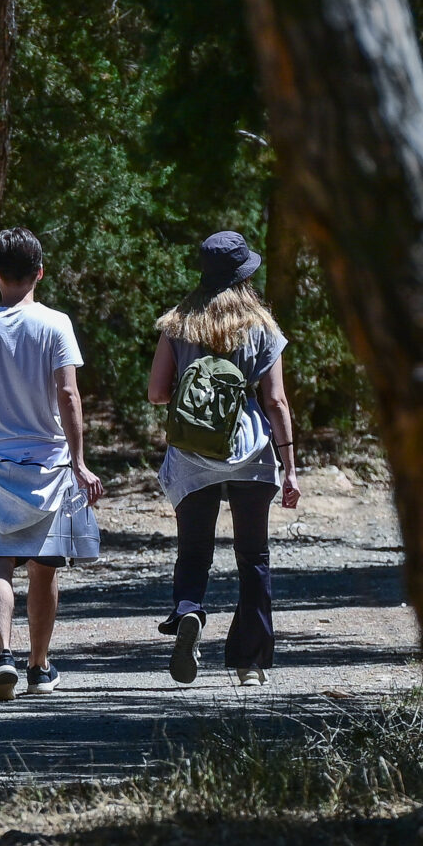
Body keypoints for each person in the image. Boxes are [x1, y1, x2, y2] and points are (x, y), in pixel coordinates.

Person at [0, 227, 103, 701]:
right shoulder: (56, 324)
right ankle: (39, 665)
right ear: (39, 272)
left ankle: (2, 658)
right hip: (50, 466)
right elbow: (68, 395)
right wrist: (79, 460)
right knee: (44, 569)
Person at [148, 230, 299, 685]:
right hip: (251, 451)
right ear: (244, 277)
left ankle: (189, 609)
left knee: (195, 550)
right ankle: (248, 663)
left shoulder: (177, 324)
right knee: (253, 555)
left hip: (193, 454)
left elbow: (157, 394)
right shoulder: (262, 328)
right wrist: (290, 465)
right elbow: (276, 402)